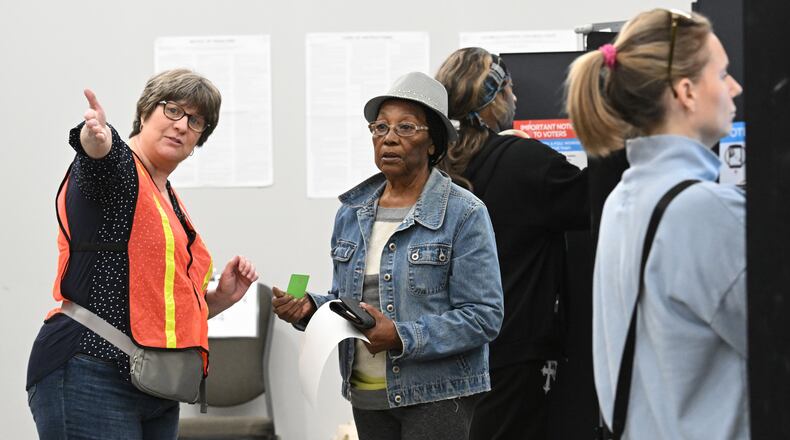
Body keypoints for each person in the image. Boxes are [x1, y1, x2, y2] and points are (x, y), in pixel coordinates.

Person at [27, 69, 260, 439]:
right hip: (89, 370)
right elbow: (99, 161)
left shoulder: (171, 202)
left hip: (155, 385)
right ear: (146, 111)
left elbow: (155, 306)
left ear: (200, 137)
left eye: (195, 120)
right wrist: (95, 140)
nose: (181, 125)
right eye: (172, 110)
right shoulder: (120, 169)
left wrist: (218, 299)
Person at [272, 72, 504, 440]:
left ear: (432, 143)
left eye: (406, 127)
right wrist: (310, 309)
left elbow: (484, 317)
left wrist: (401, 336)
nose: (389, 138)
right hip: (366, 392)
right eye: (380, 128)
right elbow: (350, 303)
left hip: (437, 394)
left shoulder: (464, 213)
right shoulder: (353, 212)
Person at [565, 9, 747, 439]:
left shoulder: (624, 200)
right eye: (722, 74)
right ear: (686, 91)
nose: (734, 87)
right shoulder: (705, 210)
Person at [435, 47, 589, 439]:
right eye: (510, 87)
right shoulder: (524, 162)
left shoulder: (434, 167)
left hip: (447, 354)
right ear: (495, 97)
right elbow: (595, 202)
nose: (517, 97)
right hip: (516, 353)